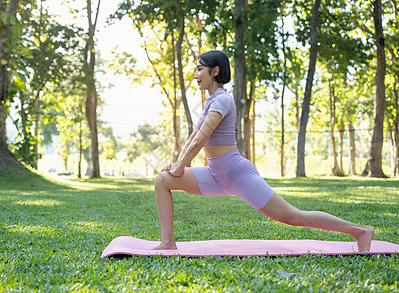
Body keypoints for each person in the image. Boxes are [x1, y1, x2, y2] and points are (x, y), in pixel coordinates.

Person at [153, 50, 374, 252]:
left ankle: (360, 231)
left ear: (215, 71)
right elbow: (194, 136)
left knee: (292, 216)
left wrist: (181, 166)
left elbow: (202, 137)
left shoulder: (223, 99)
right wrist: (176, 164)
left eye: (200, 68)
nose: (196, 74)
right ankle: (168, 242)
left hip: (236, 174)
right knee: (163, 180)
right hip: (215, 174)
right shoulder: (211, 100)